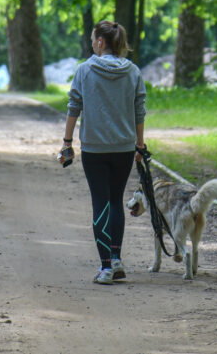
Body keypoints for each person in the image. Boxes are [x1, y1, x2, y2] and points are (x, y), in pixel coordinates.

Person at [61, 20, 146, 285]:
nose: (91, 43)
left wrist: (67, 142)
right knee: (115, 200)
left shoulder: (84, 71)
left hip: (94, 149)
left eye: (92, 39)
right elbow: (139, 109)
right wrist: (139, 146)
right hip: (123, 148)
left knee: (100, 202)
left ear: (100, 42)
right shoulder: (133, 72)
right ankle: (116, 258)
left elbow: (74, 105)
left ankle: (106, 267)